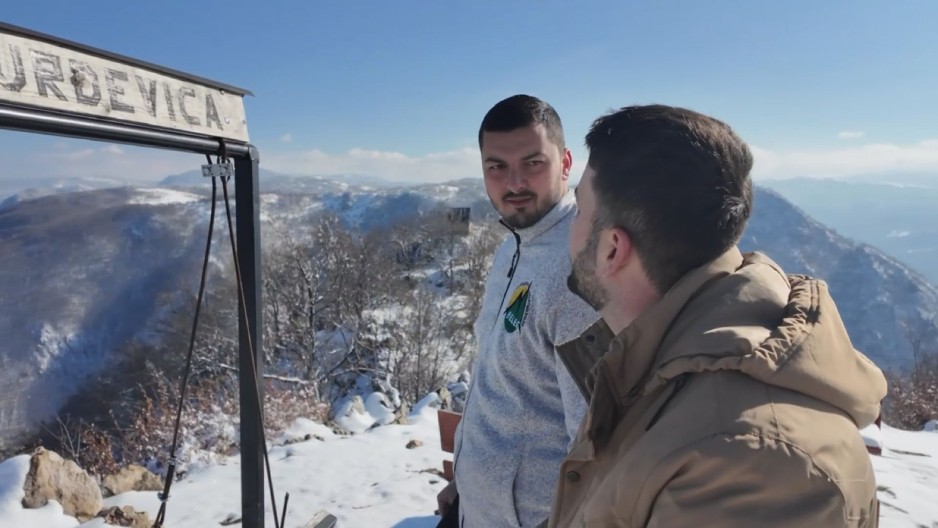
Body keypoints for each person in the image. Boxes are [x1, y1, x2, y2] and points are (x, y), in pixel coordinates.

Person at [549, 104, 888, 527]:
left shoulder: (747, 459)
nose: (570, 227)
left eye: (579, 209)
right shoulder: (660, 371)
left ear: (612, 249)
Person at [436, 94, 599, 527]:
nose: (514, 184)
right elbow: (502, 382)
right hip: (473, 510)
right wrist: (465, 481)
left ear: (565, 163)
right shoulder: (513, 245)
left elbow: (595, 445)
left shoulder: (579, 271)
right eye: (497, 167)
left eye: (532, 163)